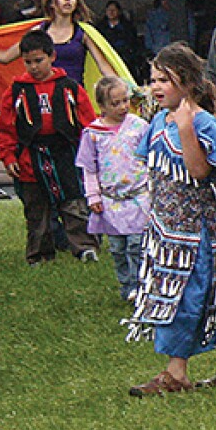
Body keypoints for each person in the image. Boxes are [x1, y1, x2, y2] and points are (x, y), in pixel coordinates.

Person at [125, 44, 216, 397]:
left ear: (187, 82)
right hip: (168, 231)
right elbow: (148, 166)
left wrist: (185, 128)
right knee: (208, 294)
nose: (155, 87)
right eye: (152, 80)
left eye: (164, 80)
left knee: (187, 296)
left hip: (198, 234)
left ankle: (176, 372)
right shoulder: (157, 120)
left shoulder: (202, 123)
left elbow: (200, 171)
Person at [0, 29, 99, 263]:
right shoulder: (15, 91)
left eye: (38, 61)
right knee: (36, 209)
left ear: (52, 56)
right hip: (30, 157)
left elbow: (87, 123)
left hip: (66, 153)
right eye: (28, 62)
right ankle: (40, 255)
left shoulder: (69, 87)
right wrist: (9, 157)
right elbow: (6, 129)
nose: (33, 67)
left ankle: (84, 248)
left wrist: (91, 154)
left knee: (74, 204)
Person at [77, 75, 150, 300]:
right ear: (102, 106)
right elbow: (89, 168)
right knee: (118, 248)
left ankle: (141, 286)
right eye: (115, 103)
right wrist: (93, 197)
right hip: (111, 201)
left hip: (138, 197)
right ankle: (126, 285)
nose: (123, 107)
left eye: (125, 101)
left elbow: (152, 158)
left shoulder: (139, 126)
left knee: (137, 245)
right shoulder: (93, 134)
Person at [0, 0, 114, 84]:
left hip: (74, 98)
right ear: (51, 3)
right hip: (45, 99)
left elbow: (104, 67)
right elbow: (5, 57)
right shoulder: (39, 31)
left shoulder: (83, 33)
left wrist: (127, 88)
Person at [98, 0, 149, 83]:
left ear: (119, 11)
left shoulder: (127, 26)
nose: (111, 12)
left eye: (113, 10)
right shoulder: (101, 27)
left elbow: (133, 42)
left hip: (126, 58)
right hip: (108, 57)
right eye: (109, 10)